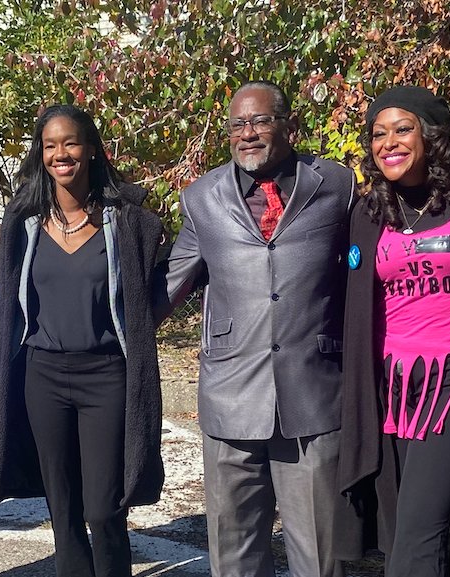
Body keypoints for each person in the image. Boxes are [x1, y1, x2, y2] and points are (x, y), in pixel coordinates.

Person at [154, 80, 360, 577]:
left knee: (319, 555)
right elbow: (170, 283)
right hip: (230, 396)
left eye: (260, 121)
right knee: (235, 552)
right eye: (237, 125)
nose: (248, 134)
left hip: (312, 392)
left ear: (286, 125)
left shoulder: (337, 184)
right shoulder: (201, 197)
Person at [336, 86, 450, 577]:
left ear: (432, 135)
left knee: (420, 533)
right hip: (393, 387)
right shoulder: (369, 212)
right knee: (401, 525)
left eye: (402, 129)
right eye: (378, 134)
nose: (388, 143)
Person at [0, 105, 165, 577]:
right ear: (41, 155)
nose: (61, 154)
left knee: (104, 510)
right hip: (42, 375)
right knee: (61, 509)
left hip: (106, 375)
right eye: (50, 145)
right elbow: (9, 311)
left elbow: (150, 298)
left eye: (70, 143)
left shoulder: (124, 222)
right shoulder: (23, 226)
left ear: (91, 149)